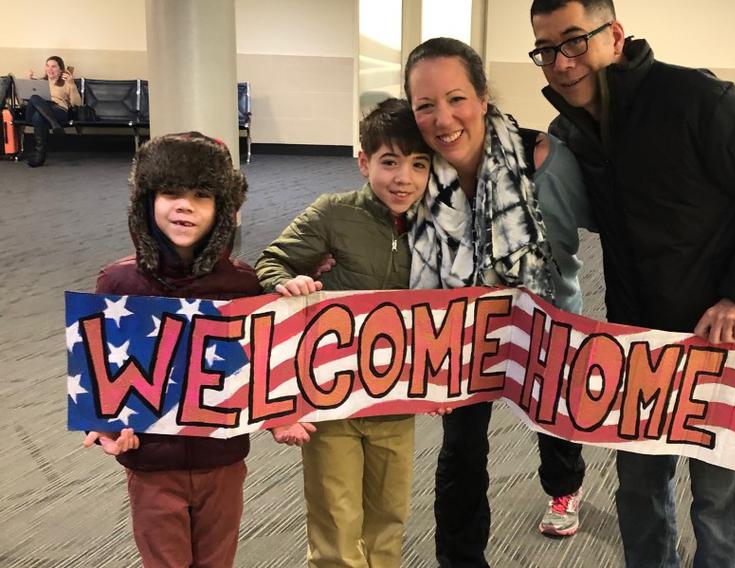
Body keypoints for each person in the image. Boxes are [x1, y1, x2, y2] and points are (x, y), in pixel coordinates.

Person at [528, 1, 735, 567]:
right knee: (638, 491)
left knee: (717, 500)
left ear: (614, 35)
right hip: (641, 349)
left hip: (728, 344)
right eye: (545, 50)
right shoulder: (573, 132)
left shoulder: (702, 102)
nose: (560, 64)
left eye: (573, 41)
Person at [404, 37, 595, 567]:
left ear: (484, 97)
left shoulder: (544, 161)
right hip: (460, 328)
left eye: (456, 98)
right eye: (425, 105)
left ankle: (564, 486)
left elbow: (619, 224)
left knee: (553, 416)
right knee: (461, 448)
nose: (443, 119)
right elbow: (375, 233)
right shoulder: (414, 173)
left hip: (545, 315)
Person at [255, 98, 432, 568]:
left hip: (395, 400)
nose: (404, 178)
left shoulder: (437, 228)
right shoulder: (333, 213)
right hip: (330, 395)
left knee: (389, 515)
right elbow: (270, 262)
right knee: (336, 520)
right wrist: (285, 280)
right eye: (389, 162)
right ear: (363, 161)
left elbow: (452, 305)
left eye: (419, 165)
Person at [82, 132, 264, 567]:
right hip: (152, 463)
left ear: (223, 210)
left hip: (221, 458)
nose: (185, 206)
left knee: (217, 559)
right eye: (170, 193)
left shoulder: (242, 284)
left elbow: (261, 366)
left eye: (202, 195)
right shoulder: (118, 283)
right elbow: (105, 370)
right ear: (147, 200)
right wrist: (106, 426)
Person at [24, 56, 81, 167]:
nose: (50, 69)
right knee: (35, 98)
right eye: (47, 66)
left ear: (61, 70)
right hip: (36, 111)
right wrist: (28, 83)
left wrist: (72, 84)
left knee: (38, 117)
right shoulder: (39, 82)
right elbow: (24, 101)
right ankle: (54, 124)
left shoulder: (66, 83)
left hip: (58, 110)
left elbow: (77, 103)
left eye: (54, 66)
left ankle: (40, 155)